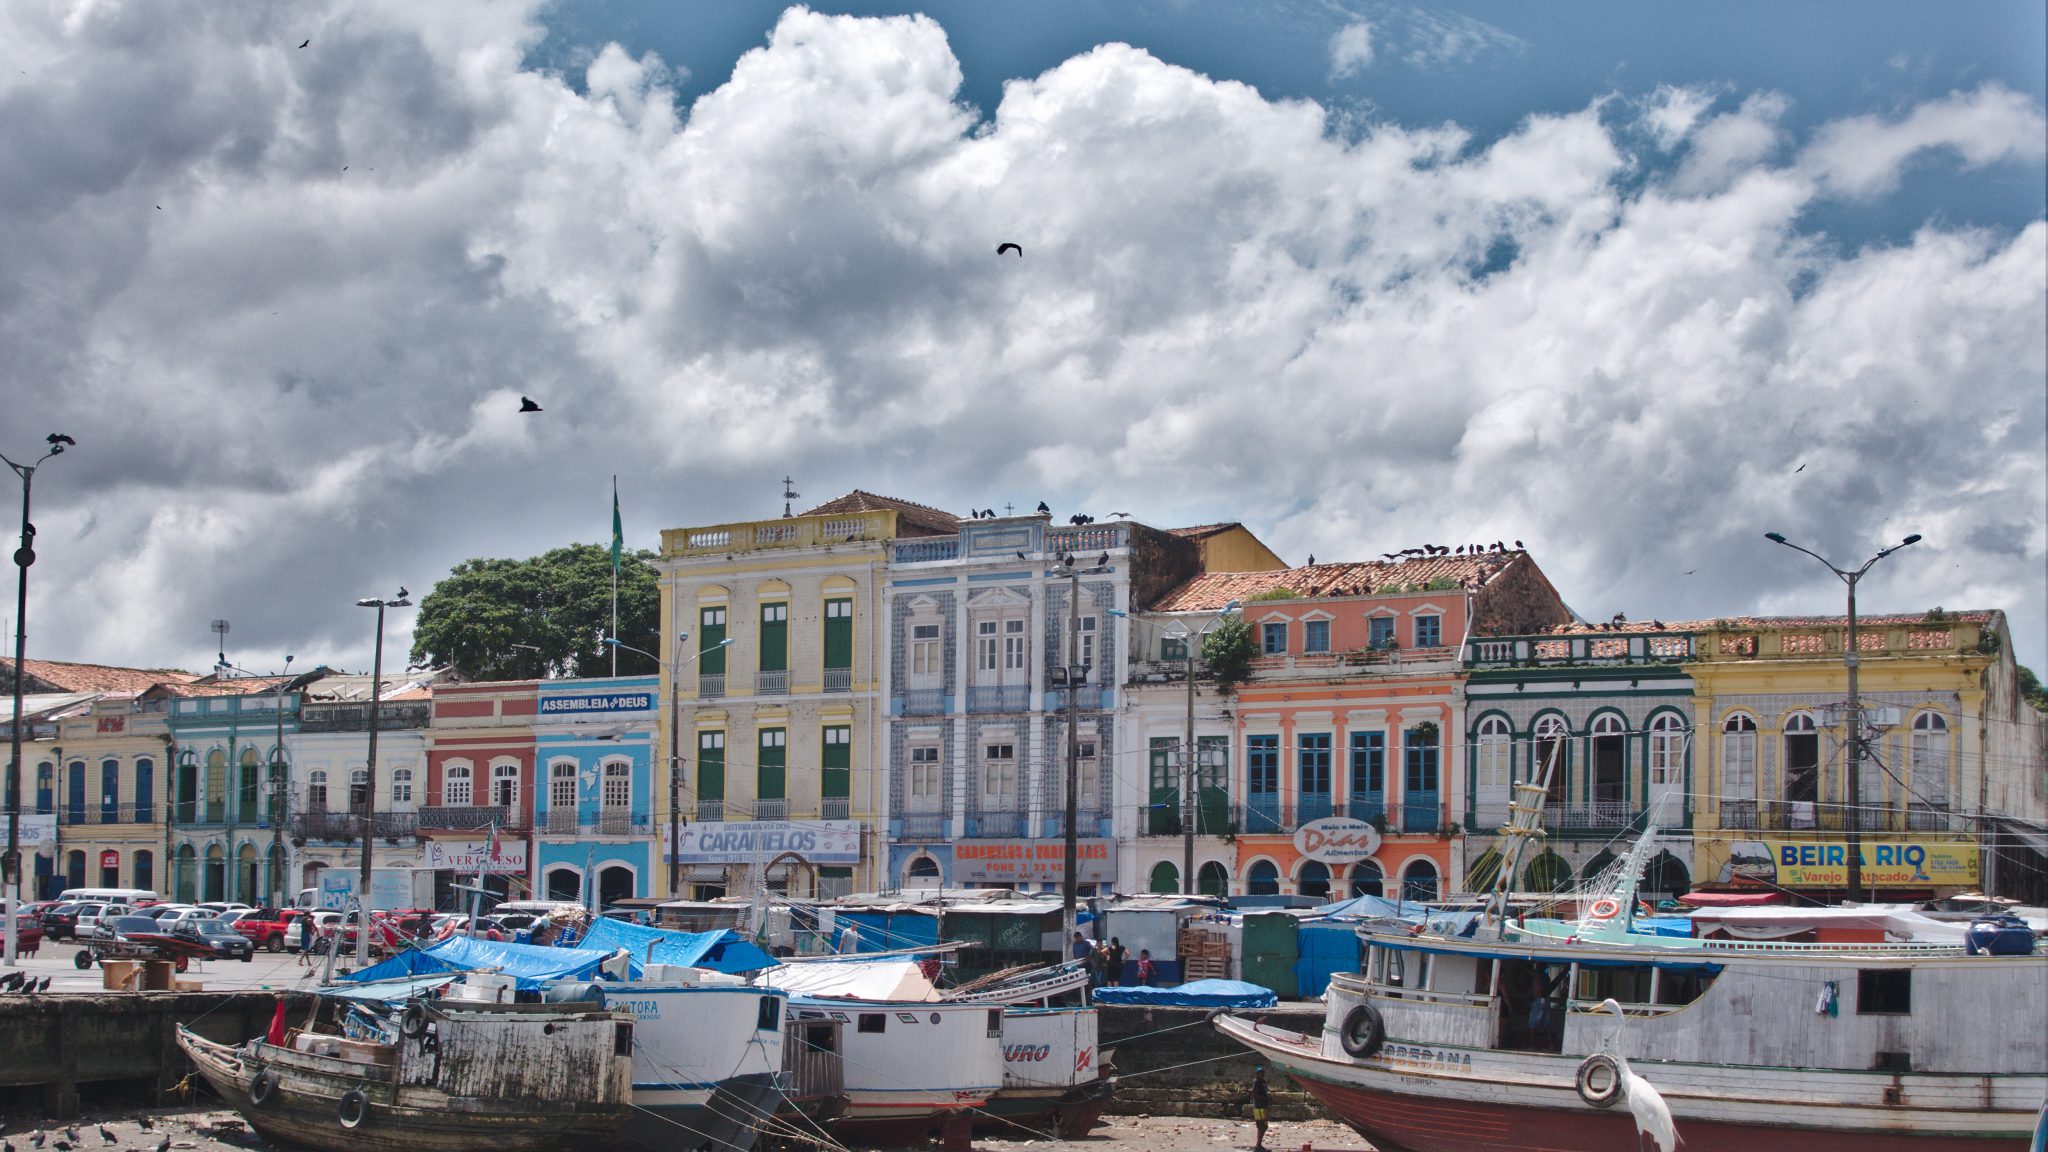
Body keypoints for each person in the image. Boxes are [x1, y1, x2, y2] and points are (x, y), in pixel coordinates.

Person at [1249, 1065, 1270, 1152]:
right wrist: (1264, 1098)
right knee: (1263, 1127)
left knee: (1262, 1127)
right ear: (1257, 1074)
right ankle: (1258, 1146)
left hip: (1263, 1107)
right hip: (1258, 1108)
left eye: (1262, 1072)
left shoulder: (1263, 1081)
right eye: (1260, 1072)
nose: (1262, 1073)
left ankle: (1259, 1146)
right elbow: (1254, 1093)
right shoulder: (1256, 1081)